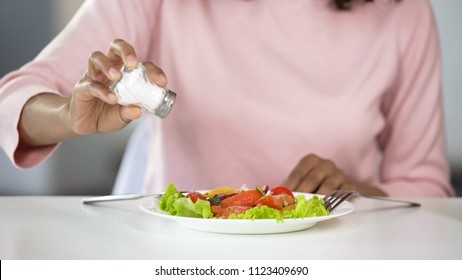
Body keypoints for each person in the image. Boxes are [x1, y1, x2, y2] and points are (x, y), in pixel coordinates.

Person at [0, 0, 455, 197]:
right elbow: (13, 101)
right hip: (174, 259)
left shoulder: (402, 14)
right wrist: (69, 115)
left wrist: (355, 195)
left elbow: (426, 187)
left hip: (333, 256)